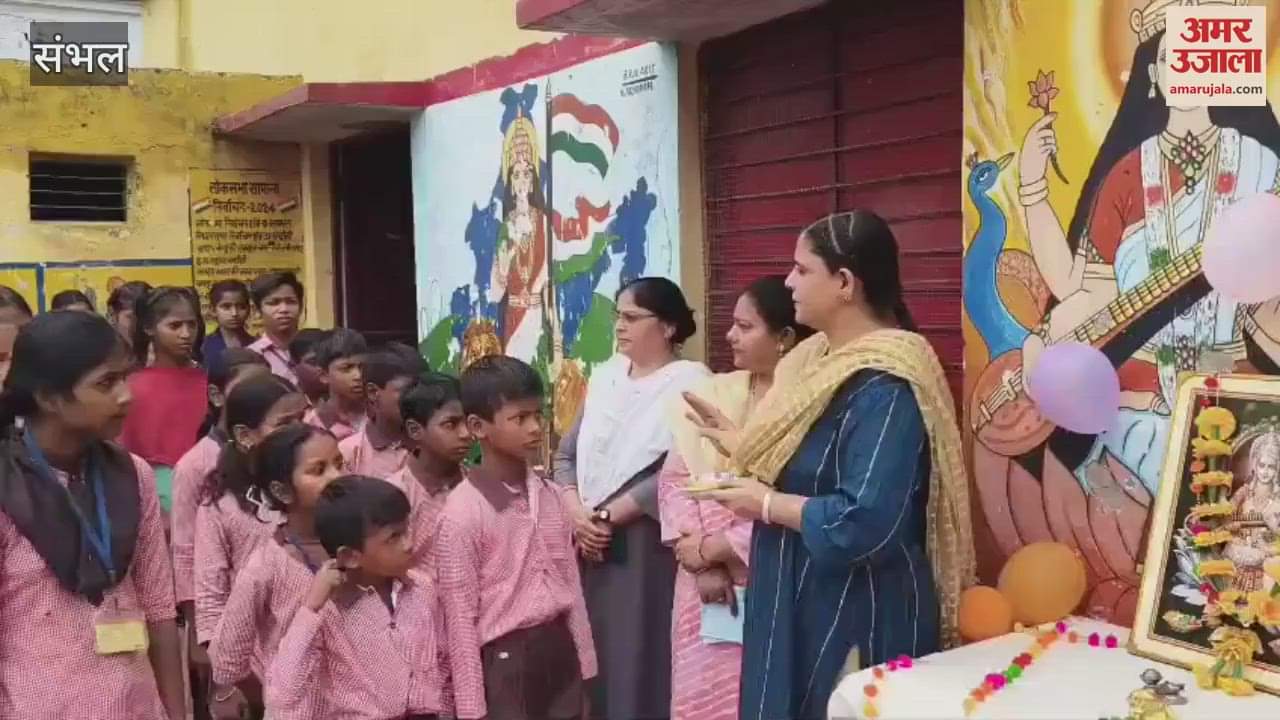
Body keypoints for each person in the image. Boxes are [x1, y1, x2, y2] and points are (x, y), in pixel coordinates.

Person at [686, 211, 976, 720]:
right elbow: (807, 462)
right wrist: (741, 443)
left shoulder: (886, 385)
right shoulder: (811, 362)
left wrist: (767, 503)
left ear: (844, 283)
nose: (789, 282)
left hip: (853, 602)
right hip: (791, 584)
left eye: (801, 270)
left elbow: (866, 520)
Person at [1016, 18, 1280, 495]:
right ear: (1154, 77)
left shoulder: (1261, 165)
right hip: (1138, 411)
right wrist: (1032, 191)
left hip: (1239, 400)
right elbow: (1088, 291)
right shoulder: (1127, 173)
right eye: (1170, 60)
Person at [0, 311, 186, 719]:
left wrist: (177, 712)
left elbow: (158, 608)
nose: (126, 395)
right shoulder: (5, 482)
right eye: (106, 383)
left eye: (125, 377)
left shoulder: (132, 473)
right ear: (49, 398)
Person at [552, 276, 709, 720]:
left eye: (631, 317)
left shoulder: (692, 384)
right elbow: (565, 455)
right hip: (587, 542)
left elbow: (681, 470)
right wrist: (577, 514)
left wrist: (608, 516)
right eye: (617, 316)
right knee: (593, 655)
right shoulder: (604, 378)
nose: (619, 326)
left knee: (640, 653)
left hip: (644, 543)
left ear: (668, 327)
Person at [659, 276, 812, 720]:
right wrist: (699, 557)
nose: (729, 336)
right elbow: (672, 480)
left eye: (745, 327)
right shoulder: (714, 393)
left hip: (767, 573)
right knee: (697, 699)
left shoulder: (804, 405)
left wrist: (723, 549)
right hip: (698, 585)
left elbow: (799, 492)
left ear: (784, 338)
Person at [436, 356, 596, 720]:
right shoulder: (462, 513)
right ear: (478, 427)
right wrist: (473, 710)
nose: (535, 427)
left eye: (537, 414)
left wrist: (586, 669)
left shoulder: (551, 496)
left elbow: (572, 587)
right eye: (519, 418)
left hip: (559, 649)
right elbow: (459, 621)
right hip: (505, 660)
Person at [265, 475, 447, 720]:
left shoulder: (421, 588)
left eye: (407, 530)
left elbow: (442, 662)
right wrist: (311, 609)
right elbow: (284, 692)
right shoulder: (325, 610)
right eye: (393, 537)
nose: (408, 544)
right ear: (350, 556)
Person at [208, 423, 343, 720]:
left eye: (339, 464)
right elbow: (227, 656)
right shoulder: (268, 564)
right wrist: (272, 696)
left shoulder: (358, 544)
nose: (336, 477)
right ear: (282, 490)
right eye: (318, 470)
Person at [173, 349, 271, 720]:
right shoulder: (195, 464)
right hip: (221, 618)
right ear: (217, 397)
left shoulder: (272, 457)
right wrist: (200, 632)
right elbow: (184, 551)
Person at [194, 374, 309, 645]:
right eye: (284, 424)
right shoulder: (223, 506)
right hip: (256, 653)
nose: (298, 432)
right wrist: (228, 676)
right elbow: (211, 594)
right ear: (245, 435)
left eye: (301, 420)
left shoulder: (315, 488)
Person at [118, 286, 208, 518]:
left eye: (192, 324)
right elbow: (124, 456)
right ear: (149, 328)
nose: (186, 334)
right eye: (175, 326)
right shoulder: (133, 386)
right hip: (154, 503)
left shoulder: (211, 383)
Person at [388, 372, 471, 567]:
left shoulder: (483, 488)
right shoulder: (394, 496)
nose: (465, 434)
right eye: (451, 424)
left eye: (468, 422)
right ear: (415, 430)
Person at [338, 351, 416, 479]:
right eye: (407, 391)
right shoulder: (349, 454)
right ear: (373, 392)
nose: (416, 397)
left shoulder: (429, 444)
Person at [302, 328, 368, 441]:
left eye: (362, 367)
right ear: (324, 375)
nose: (358, 376)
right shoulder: (312, 426)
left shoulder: (381, 416)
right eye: (346, 368)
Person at [248, 272, 304, 385]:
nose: (284, 309)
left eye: (291, 302)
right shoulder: (251, 356)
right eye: (273, 303)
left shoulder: (318, 349)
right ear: (257, 310)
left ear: (301, 306)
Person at [202, 280, 256, 380]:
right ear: (213, 310)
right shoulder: (202, 347)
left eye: (241, 307)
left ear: (249, 309)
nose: (234, 313)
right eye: (226, 307)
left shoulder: (257, 347)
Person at [107, 280, 153, 352]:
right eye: (131, 318)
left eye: (145, 316)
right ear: (114, 317)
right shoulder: (103, 355)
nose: (138, 325)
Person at [290, 328, 330, 408]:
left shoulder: (347, 399)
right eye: (313, 362)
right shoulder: (286, 406)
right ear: (294, 366)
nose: (322, 367)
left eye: (327, 359)